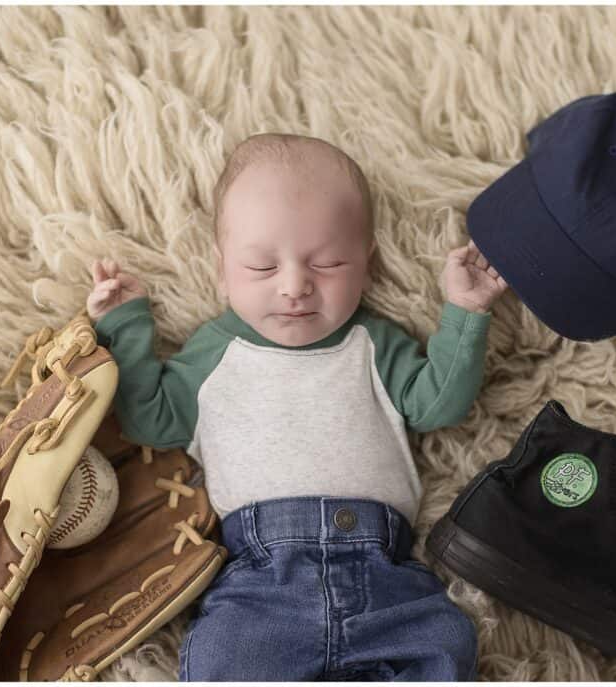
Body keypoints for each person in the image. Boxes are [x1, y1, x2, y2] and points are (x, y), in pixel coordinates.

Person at [87, 133, 507, 680]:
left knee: (447, 641)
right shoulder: (211, 355)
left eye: (328, 264)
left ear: (367, 265)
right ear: (221, 270)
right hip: (262, 584)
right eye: (262, 267)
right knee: (219, 659)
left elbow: (438, 405)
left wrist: (465, 313)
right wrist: (124, 327)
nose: (294, 287)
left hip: (386, 578)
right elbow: (148, 418)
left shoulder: (374, 345)